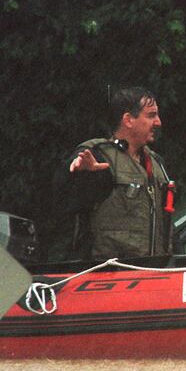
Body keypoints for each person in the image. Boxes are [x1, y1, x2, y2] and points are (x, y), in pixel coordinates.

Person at [56, 86, 174, 259]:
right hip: (109, 270)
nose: (158, 122)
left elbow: (169, 226)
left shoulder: (157, 163)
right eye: (151, 115)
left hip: (155, 270)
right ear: (128, 120)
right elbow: (65, 194)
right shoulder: (99, 155)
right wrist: (81, 172)